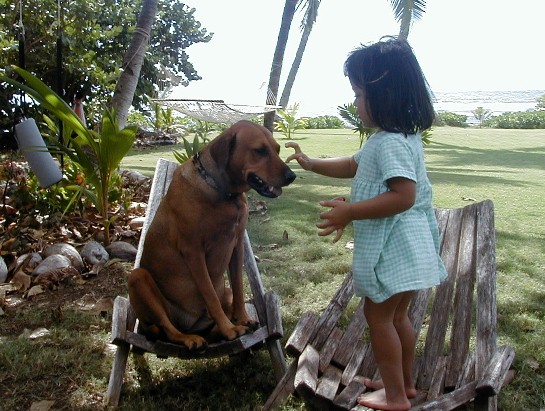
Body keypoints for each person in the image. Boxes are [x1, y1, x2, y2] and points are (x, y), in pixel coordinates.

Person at [285, 36, 447, 411]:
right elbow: (352, 166)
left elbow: (403, 195)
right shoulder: (398, 139)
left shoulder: (389, 144)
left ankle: (394, 396)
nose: (355, 102)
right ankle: (404, 385)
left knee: (379, 318)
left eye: (359, 94)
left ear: (383, 95)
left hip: (395, 248)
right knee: (398, 316)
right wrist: (311, 163)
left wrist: (351, 211)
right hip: (411, 249)